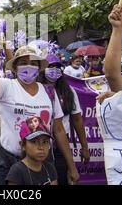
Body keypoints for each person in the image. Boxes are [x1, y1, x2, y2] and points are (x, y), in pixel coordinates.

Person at [0, 43, 79, 185]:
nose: (28, 67)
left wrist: (71, 166)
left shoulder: (49, 92)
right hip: (10, 161)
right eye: (23, 63)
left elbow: (59, 130)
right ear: (15, 67)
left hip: (43, 163)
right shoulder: (6, 86)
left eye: (33, 63)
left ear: (38, 68)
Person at [40, 54, 90, 185]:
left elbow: (77, 120)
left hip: (61, 143)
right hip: (38, 141)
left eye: (57, 67)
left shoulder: (69, 92)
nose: (54, 69)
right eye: (50, 66)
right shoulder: (35, 90)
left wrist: (85, 147)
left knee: (61, 177)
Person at [6, 116, 58, 185]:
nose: (41, 147)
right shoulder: (17, 172)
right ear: (23, 145)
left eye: (45, 142)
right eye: (34, 142)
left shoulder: (50, 169)